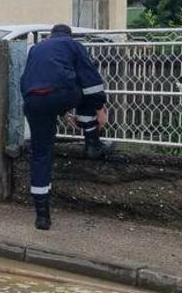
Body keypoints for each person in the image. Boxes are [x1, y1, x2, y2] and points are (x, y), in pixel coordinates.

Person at [20, 24, 113, 230]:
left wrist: (60, 110)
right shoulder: (73, 45)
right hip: (62, 94)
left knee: (41, 155)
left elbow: (30, 81)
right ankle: (92, 143)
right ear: (68, 36)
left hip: (33, 101)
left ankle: (42, 216)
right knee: (85, 88)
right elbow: (91, 81)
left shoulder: (36, 48)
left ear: (51, 36)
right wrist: (99, 108)